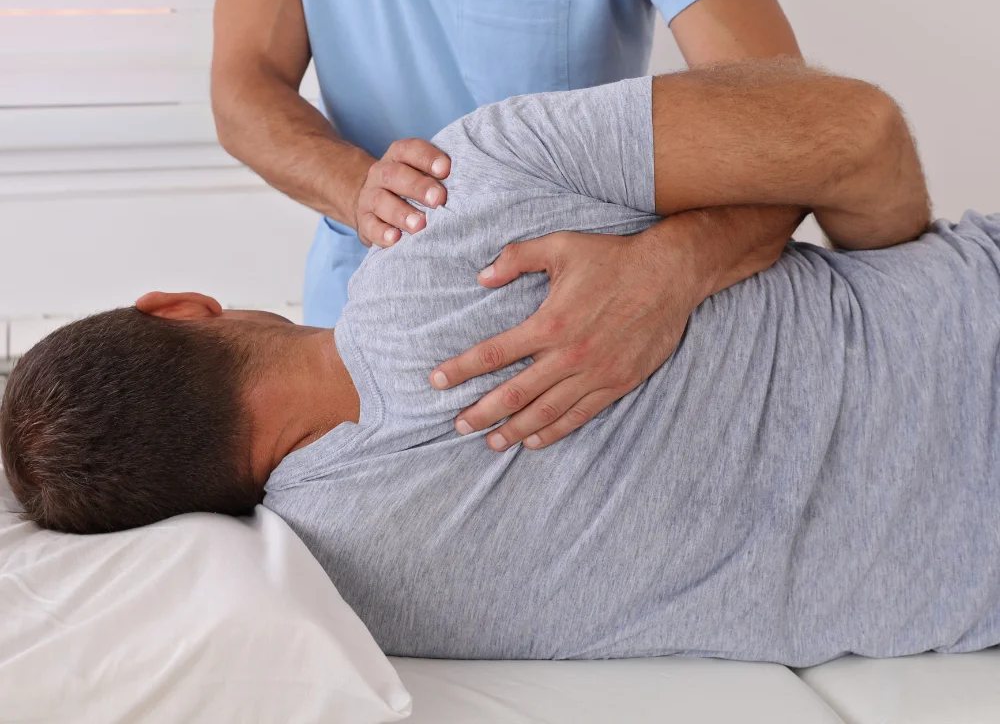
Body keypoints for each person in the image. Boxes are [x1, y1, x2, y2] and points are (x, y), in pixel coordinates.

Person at [4, 62, 1000, 667]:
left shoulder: (353, 604)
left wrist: (680, 266)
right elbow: (858, 136)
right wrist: (703, 264)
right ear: (178, 308)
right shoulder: (459, 195)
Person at [211, 0, 805, 453]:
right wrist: (356, 187)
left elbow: (788, 131)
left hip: (566, 348)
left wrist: (663, 273)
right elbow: (243, 86)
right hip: (357, 341)